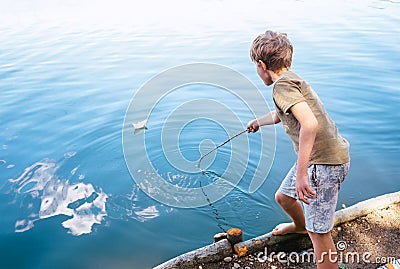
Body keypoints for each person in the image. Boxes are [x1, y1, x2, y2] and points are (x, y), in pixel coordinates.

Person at [247, 30, 350, 269]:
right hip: (322, 159)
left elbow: (309, 123)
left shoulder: (281, 87)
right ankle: (300, 226)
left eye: (256, 66)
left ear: (262, 65)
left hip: (323, 165)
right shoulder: (291, 80)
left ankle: (311, 232)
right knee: (284, 197)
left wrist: (302, 173)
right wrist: (257, 122)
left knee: (320, 234)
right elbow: (282, 114)